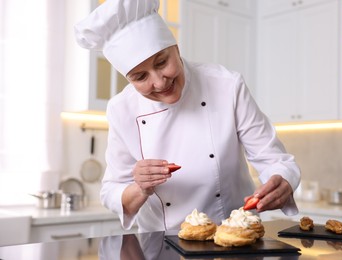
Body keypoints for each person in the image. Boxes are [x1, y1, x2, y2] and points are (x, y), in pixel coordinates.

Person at [75, 0, 300, 232]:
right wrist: (140, 187)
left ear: (177, 48)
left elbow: (274, 159)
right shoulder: (121, 109)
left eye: (162, 62)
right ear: (129, 79)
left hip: (234, 233)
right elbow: (111, 190)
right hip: (160, 243)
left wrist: (282, 181)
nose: (160, 82)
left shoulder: (226, 85)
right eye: (140, 77)